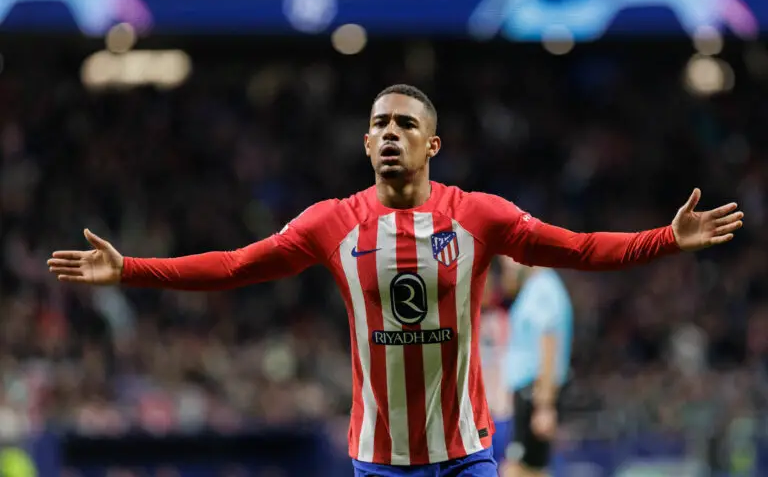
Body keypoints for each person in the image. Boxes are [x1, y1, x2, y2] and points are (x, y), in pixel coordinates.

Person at [48, 84, 744, 477]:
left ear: (431, 144)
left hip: (467, 454)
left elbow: (582, 249)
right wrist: (130, 268)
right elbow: (235, 266)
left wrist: (667, 238)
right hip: (381, 462)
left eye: (405, 124)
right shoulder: (332, 223)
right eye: (378, 123)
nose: (389, 132)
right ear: (364, 142)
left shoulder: (477, 215)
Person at [498, 257, 572, 477]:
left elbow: (549, 343)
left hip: (534, 393)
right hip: (528, 394)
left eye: (508, 257)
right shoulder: (534, 287)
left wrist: (544, 405)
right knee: (531, 470)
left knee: (517, 470)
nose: (506, 265)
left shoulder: (544, 289)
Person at [478, 265, 513, 468]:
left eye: (488, 285)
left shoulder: (503, 320)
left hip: (500, 409)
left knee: (502, 464)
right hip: (475, 412)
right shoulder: (462, 320)